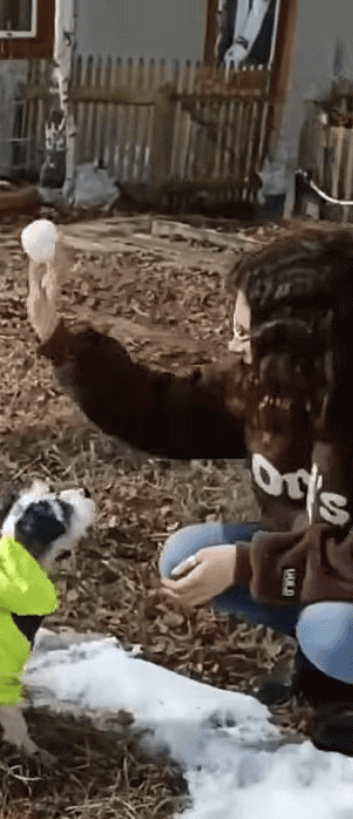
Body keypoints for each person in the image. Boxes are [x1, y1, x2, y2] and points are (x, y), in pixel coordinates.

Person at [27, 227, 353, 756]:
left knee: (333, 630)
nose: (233, 345)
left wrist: (249, 565)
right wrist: (62, 343)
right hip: (324, 569)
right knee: (191, 554)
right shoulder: (267, 386)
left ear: (307, 345)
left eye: (247, 335)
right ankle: (327, 676)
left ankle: (337, 671)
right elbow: (165, 411)